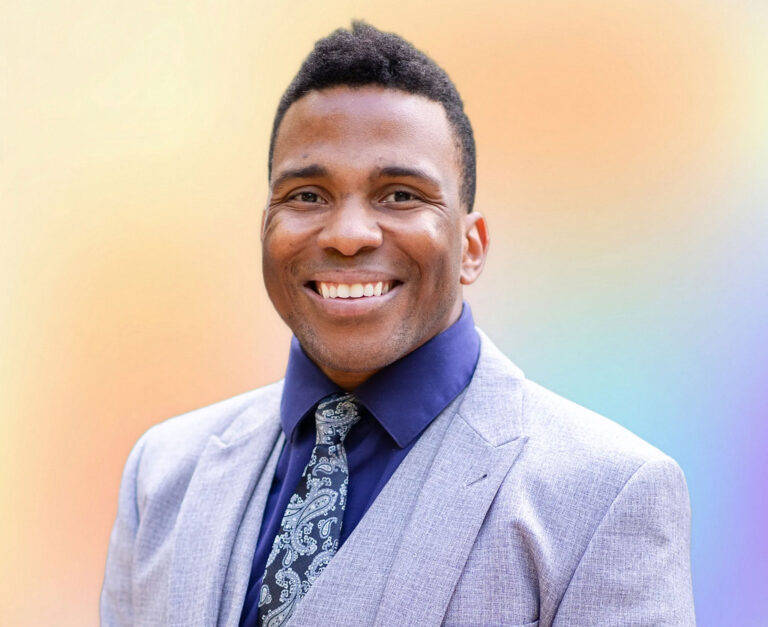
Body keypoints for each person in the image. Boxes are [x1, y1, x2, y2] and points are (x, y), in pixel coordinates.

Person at [101, 22, 695, 627]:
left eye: (401, 194)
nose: (348, 234)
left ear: (471, 246)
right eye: (307, 195)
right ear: (265, 230)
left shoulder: (604, 495)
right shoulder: (163, 472)